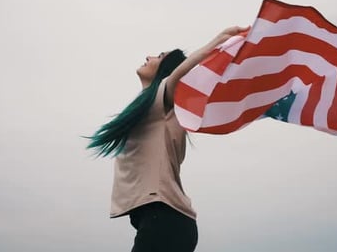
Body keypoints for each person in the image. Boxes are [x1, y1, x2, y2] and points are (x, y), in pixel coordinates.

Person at [86, 25, 249, 252]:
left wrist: (219, 41)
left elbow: (182, 73)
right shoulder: (148, 106)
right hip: (160, 219)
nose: (149, 56)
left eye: (159, 56)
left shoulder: (164, 98)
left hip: (164, 218)